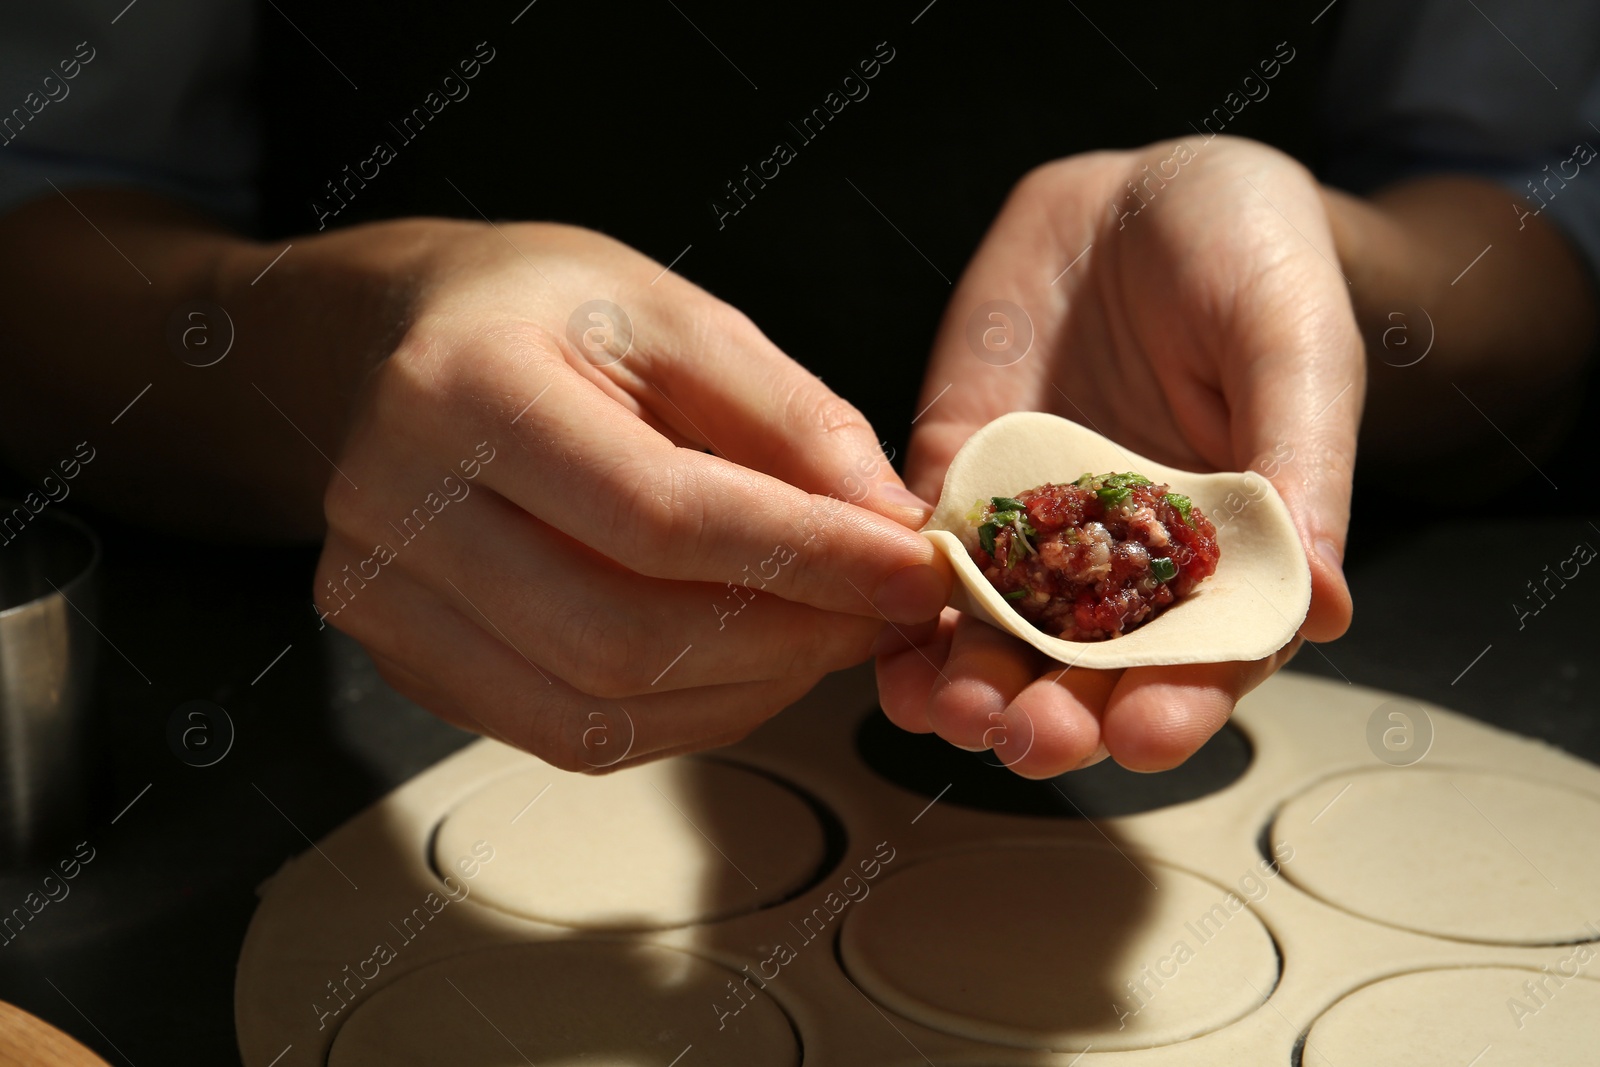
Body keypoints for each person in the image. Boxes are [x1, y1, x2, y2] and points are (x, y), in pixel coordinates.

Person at [0, 2, 1594, 778]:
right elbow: (45, 222)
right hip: (368, 685)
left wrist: (1328, 276)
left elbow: (1530, 203)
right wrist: (349, 342)